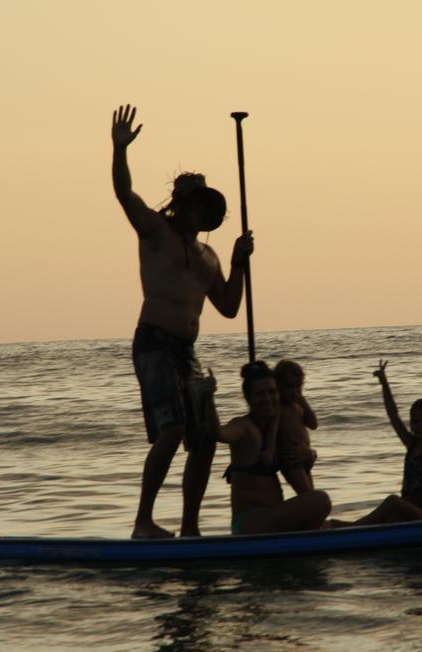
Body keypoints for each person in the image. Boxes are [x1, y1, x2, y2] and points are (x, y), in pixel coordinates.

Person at [112, 103, 254, 539]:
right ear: (180, 206)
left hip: (186, 351)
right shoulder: (155, 232)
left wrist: (238, 263)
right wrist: (119, 151)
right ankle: (143, 523)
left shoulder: (208, 255)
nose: (194, 212)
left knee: (205, 437)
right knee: (171, 429)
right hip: (153, 342)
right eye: (189, 204)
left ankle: (190, 527)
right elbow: (124, 194)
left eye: (200, 206)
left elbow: (229, 306)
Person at [214, 361, 332, 535]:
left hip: (272, 518)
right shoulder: (245, 427)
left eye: (272, 392)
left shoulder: (283, 419)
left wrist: (310, 454)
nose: (268, 399)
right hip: (250, 524)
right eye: (260, 394)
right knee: (320, 500)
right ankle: (315, 533)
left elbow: (310, 426)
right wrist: (208, 401)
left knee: (321, 510)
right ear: (249, 398)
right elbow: (220, 434)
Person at [329, 360, 422, 527]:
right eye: (416, 422)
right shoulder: (412, 444)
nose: (421, 426)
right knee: (385, 518)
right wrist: (384, 383)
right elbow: (394, 416)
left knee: (393, 501)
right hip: (408, 513)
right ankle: (341, 526)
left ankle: (352, 528)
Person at [274, 359, 318, 494]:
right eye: (288, 387)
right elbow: (270, 431)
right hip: (291, 460)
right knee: (307, 496)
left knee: (311, 494)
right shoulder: (278, 409)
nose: (294, 391)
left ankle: (311, 514)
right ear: (277, 386)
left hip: (305, 456)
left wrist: (303, 401)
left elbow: (313, 424)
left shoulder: (298, 407)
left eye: (298, 387)